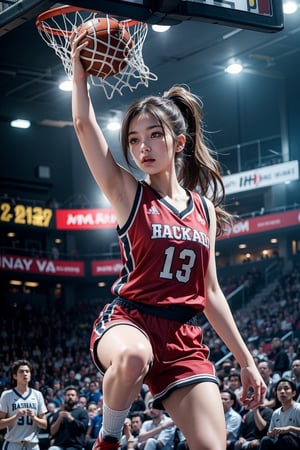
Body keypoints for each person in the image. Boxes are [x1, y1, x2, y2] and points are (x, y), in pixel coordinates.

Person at [71, 31, 266, 450]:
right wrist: (79, 69)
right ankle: (107, 440)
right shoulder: (129, 193)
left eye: (154, 135)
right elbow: (84, 125)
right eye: (134, 139)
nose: (143, 146)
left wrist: (246, 361)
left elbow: (210, 292)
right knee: (133, 358)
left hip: (183, 338)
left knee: (213, 447)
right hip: (130, 321)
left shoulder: (205, 210)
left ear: (178, 143)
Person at [0, 359, 47, 450]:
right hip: (13, 444)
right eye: (21, 371)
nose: (25, 374)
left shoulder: (38, 394)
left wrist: (34, 417)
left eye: (27, 371)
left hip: (32, 445)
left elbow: (44, 425)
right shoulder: (6, 395)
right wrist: (16, 416)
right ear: (15, 376)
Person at [259, 378, 300, 449]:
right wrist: (271, 433)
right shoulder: (275, 413)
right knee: (265, 440)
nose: (282, 391)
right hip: (280, 442)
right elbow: (270, 434)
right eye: (279, 389)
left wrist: (290, 429)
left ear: (293, 393)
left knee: (286, 438)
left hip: (296, 443)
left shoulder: (298, 408)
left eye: (286, 388)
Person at [48, 385, 89, 450]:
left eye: (72, 395)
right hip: (59, 446)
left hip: (75, 446)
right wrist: (59, 418)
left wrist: (70, 418)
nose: (70, 397)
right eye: (68, 395)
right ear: (64, 397)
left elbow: (83, 428)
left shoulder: (83, 412)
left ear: (77, 398)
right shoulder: (59, 412)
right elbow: (52, 432)